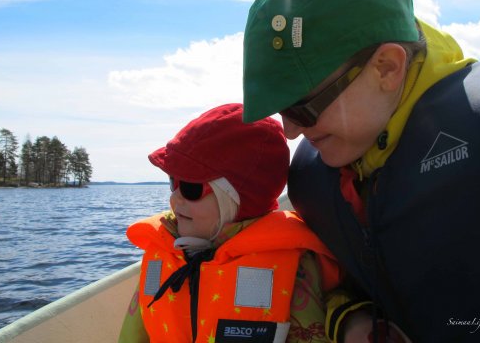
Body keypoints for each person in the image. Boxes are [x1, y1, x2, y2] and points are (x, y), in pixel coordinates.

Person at [241, 0, 480, 342]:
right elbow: (336, 279)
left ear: (387, 67)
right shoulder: (310, 180)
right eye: (280, 109)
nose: (291, 130)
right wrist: (350, 318)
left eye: (302, 107)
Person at [118, 103, 343, 343]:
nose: (174, 198)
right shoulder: (163, 254)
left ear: (237, 200)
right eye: (173, 182)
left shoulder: (294, 269)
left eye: (191, 188)